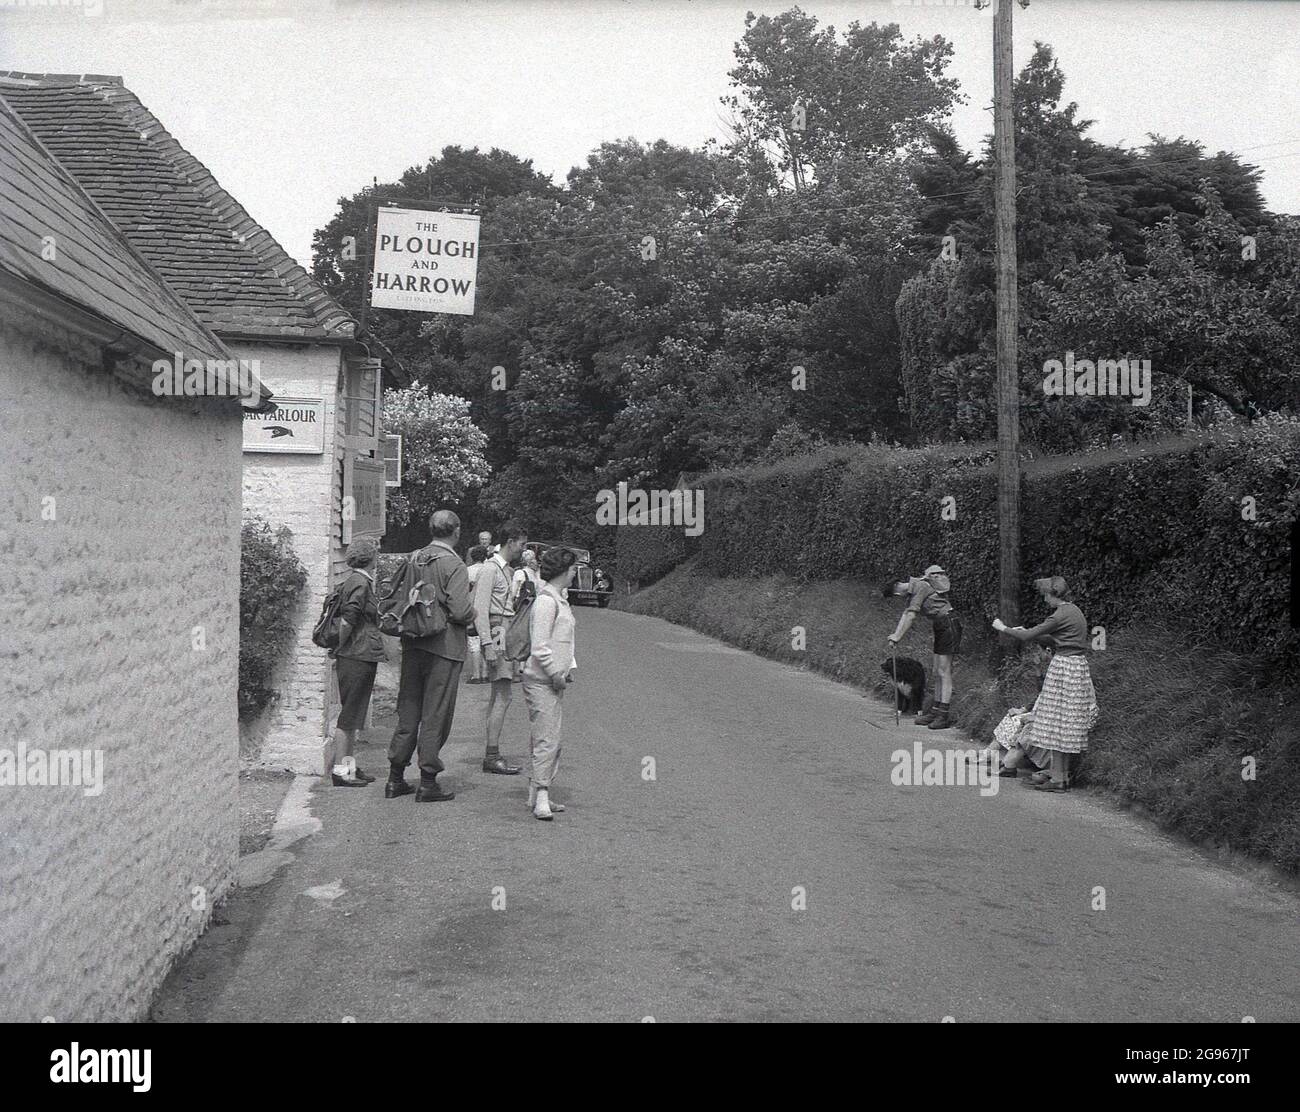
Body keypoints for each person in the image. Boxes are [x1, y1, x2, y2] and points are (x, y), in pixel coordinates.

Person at [386, 509, 476, 803]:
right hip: (444, 646)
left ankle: (395, 777)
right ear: (456, 530)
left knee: (408, 709)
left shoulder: (414, 557)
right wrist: (474, 613)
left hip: (413, 641)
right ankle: (427, 781)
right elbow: (462, 611)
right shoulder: (454, 564)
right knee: (435, 713)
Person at [993, 576, 1099, 793]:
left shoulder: (1059, 614)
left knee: (1055, 724)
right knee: (1066, 724)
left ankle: (1058, 779)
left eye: (1045, 596)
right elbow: (1064, 638)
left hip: (1063, 668)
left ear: (1053, 595)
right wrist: (1029, 631)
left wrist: (1003, 628)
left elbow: (1029, 635)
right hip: (1078, 667)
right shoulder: (1075, 611)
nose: (1045, 600)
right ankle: (1061, 775)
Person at [521, 546, 578, 820]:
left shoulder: (559, 598)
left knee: (547, 737)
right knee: (547, 739)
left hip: (551, 680)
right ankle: (542, 792)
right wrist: (556, 672)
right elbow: (540, 646)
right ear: (565, 571)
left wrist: (568, 668)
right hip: (541, 680)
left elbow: (563, 641)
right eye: (573, 568)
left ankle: (537, 792)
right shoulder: (547, 601)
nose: (576, 573)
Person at [328, 537, 385, 787]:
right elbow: (347, 621)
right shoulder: (360, 584)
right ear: (370, 558)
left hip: (357, 654)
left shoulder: (355, 580)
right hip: (356, 655)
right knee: (349, 716)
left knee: (354, 715)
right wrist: (339, 646)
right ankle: (341, 771)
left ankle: (348, 767)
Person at [472, 522, 528, 775]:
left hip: (503, 630)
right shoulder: (490, 569)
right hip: (496, 631)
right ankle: (491, 755)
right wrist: (487, 644)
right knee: (503, 695)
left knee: (500, 695)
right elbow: (480, 610)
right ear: (511, 541)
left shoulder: (505, 570)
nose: (523, 549)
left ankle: (492, 752)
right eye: (522, 544)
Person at [882, 565, 963, 730]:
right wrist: (895, 636)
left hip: (948, 624)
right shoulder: (915, 588)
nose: (898, 597)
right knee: (936, 671)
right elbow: (906, 614)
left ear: (896, 591)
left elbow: (911, 616)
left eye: (895, 596)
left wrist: (898, 637)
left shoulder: (920, 586)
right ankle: (935, 711)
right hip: (941, 625)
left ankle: (943, 715)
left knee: (944, 671)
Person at [465, 545, 488, 683]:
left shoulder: (467, 571)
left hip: (472, 609)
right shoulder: (489, 570)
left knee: (474, 643)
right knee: (485, 640)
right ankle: (486, 673)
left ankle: (476, 675)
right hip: (486, 609)